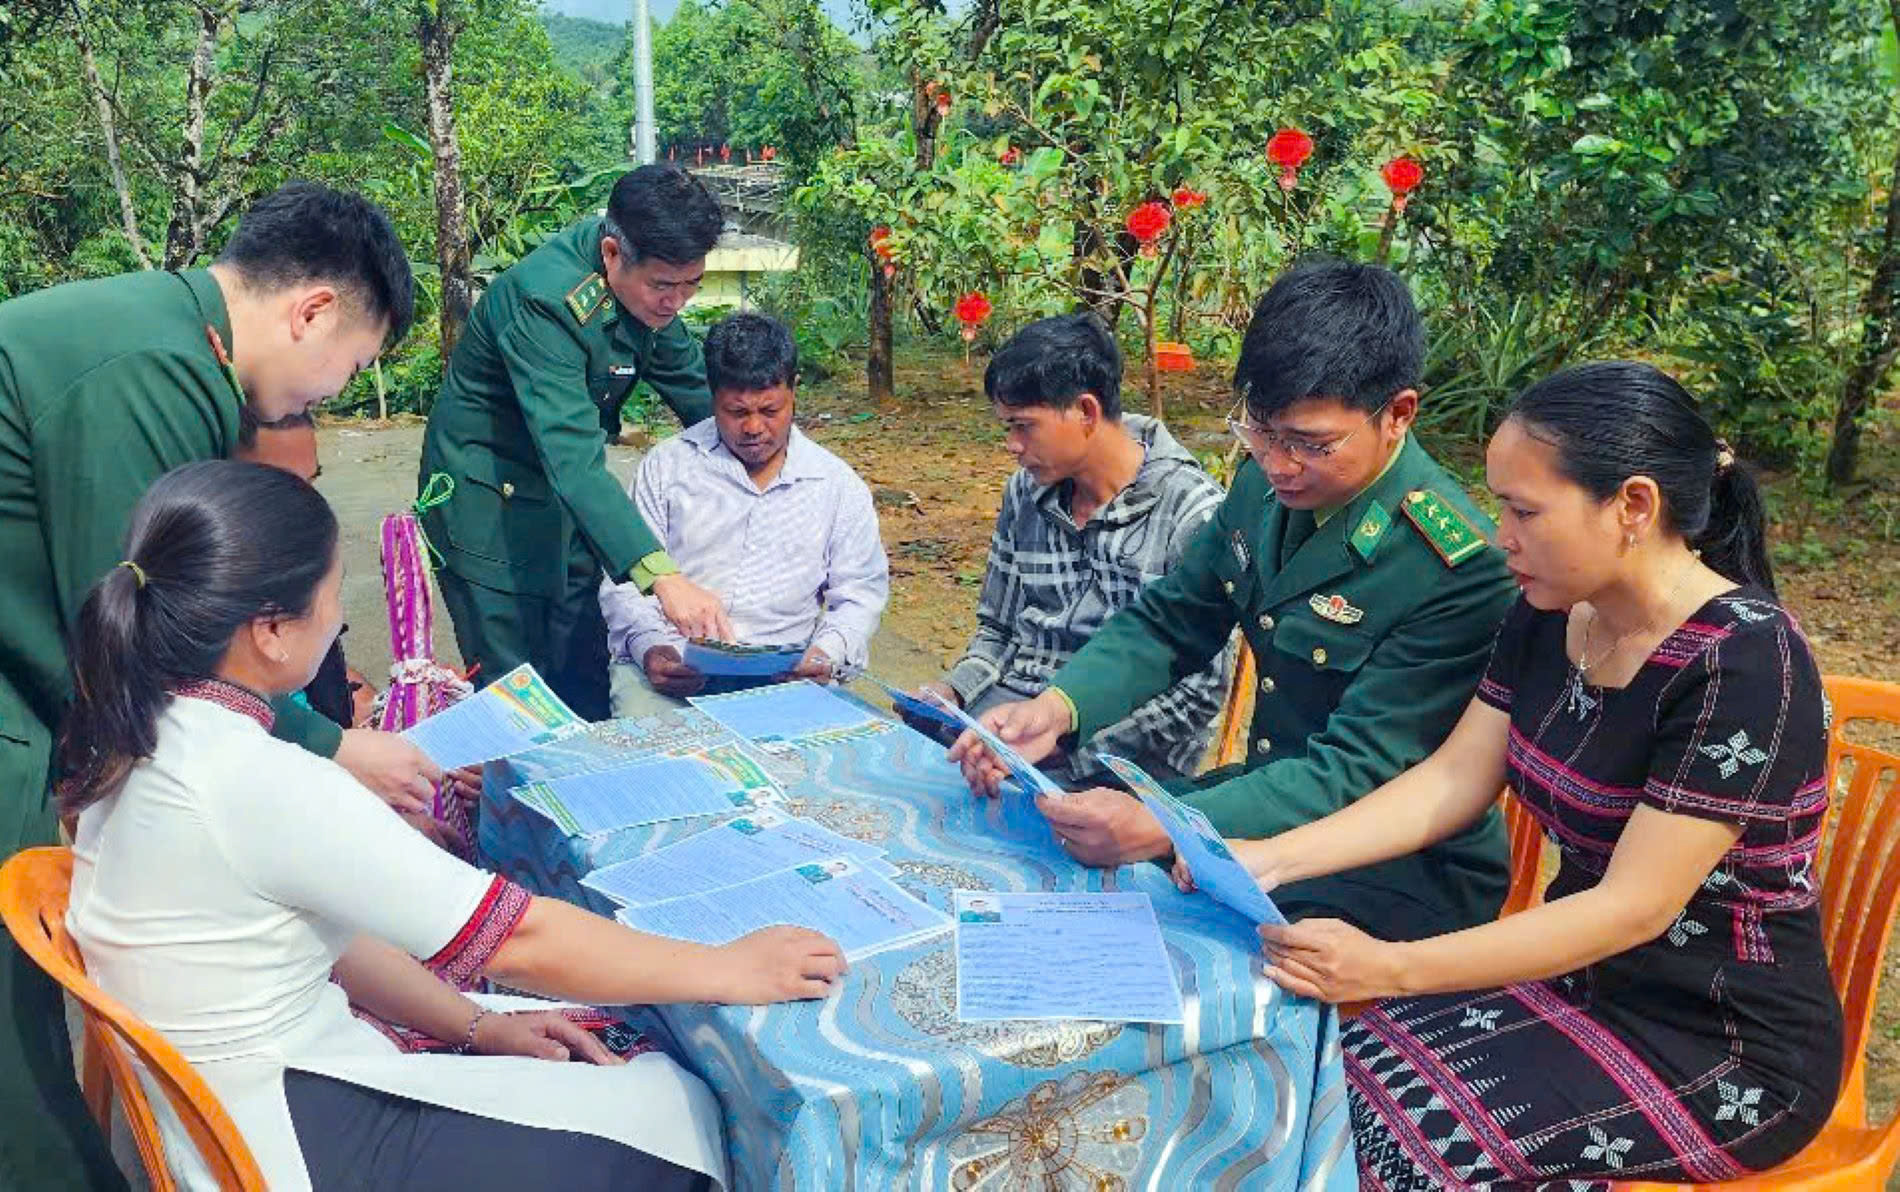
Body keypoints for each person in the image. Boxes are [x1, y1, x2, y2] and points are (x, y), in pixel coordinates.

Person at [62, 460, 848, 1191]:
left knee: (594, 1043)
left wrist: (475, 1025)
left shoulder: (139, 727)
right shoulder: (260, 779)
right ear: (270, 630)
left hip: (227, 1101)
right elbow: (517, 941)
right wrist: (730, 969)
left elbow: (334, 938)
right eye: (334, 594)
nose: (340, 618)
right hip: (279, 1133)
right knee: (677, 1104)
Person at [1183, 362, 1843, 1186]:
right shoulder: (1550, 611)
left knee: (1389, 1150)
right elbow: (1453, 780)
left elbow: (1632, 906)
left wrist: (1389, 968)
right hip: (1570, 981)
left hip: (1721, 1046)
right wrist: (1270, 858)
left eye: (1525, 510)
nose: (1502, 534)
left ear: (1633, 505)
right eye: (1501, 505)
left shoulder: (1746, 662)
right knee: (1300, 1085)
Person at [0, 181, 436, 1190]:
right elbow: (141, 640)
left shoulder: (165, 335)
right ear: (314, 309)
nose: (330, 391)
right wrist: (330, 746)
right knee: (20, 1052)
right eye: (353, 366)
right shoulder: (153, 369)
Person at [952, 262, 1518, 939]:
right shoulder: (1264, 490)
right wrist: (1060, 706)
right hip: (1271, 803)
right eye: (1261, 430)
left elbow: (1352, 769)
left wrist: (1169, 825)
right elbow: (1174, 620)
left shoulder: (1453, 565)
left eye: (1312, 444)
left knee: (1142, 925)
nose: (1279, 463)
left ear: (1397, 415)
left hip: (1393, 865)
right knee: (1051, 841)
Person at [420, 164, 736, 722]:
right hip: (488, 506)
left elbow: (699, 393)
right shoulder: (545, 302)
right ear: (613, 253)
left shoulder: (647, 294)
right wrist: (663, 577)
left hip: (563, 507)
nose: (677, 302)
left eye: (692, 284)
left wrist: (782, 462)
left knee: (583, 670)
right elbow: (574, 457)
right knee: (517, 691)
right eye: (665, 286)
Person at [914, 312, 1226, 785]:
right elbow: (997, 629)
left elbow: (1198, 693)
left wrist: (1062, 747)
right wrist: (954, 693)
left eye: (1023, 426)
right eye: (1006, 427)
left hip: (1125, 752)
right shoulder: (1025, 493)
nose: (1011, 446)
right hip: (1014, 718)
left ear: (1086, 412)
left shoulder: (1191, 513)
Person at [601, 312, 888, 717]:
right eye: (736, 412)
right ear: (712, 395)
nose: (754, 427)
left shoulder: (836, 486)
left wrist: (827, 653)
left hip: (786, 680)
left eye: (770, 411)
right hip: (672, 673)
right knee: (653, 764)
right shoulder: (667, 467)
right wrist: (651, 648)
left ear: (794, 392)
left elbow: (859, 595)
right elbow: (626, 581)